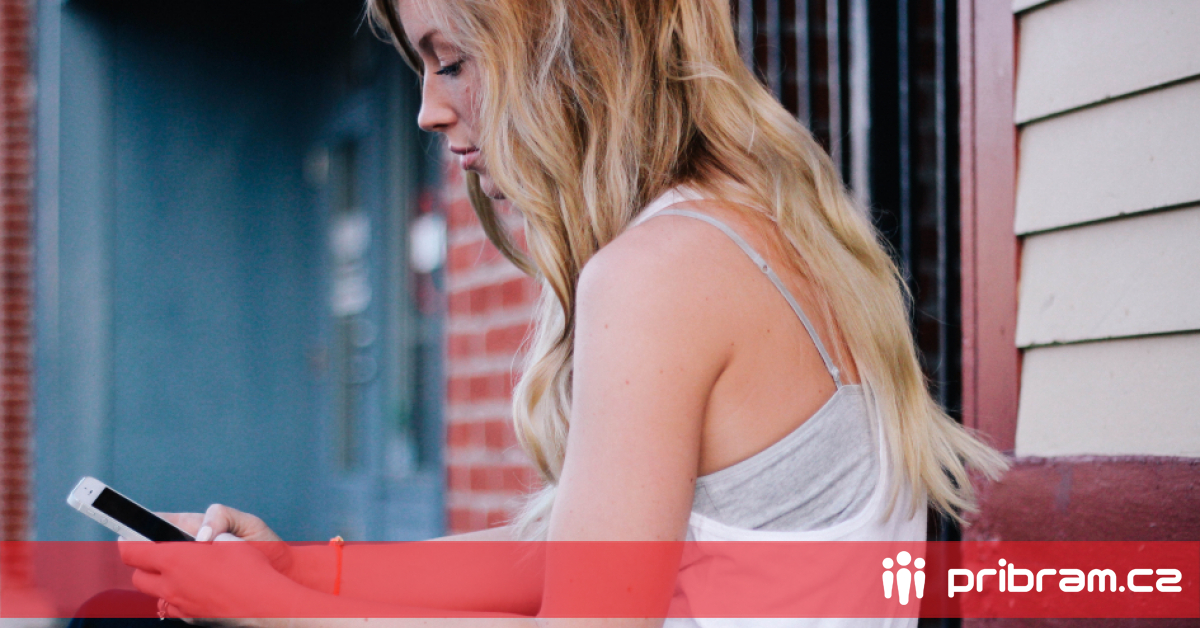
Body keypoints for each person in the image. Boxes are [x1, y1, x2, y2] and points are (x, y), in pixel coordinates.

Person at [92, 0, 1009, 626]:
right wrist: (299, 568)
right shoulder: (756, 234)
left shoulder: (661, 272)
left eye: (452, 61)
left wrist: (275, 612)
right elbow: (573, 558)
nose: (427, 111)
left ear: (572, 41)